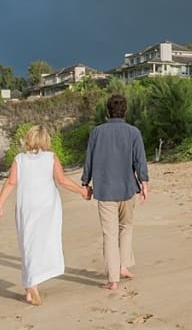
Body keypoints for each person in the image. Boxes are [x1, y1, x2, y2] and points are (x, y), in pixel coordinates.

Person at [0, 125, 90, 305]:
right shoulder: (51, 157)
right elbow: (62, 180)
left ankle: (31, 285)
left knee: (28, 243)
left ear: (29, 139)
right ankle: (32, 284)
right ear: (46, 140)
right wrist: (81, 191)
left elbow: (11, 183)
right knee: (45, 241)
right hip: (48, 206)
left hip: (27, 205)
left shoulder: (20, 159)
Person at [80, 94, 149, 290]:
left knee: (109, 234)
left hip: (104, 189)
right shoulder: (133, 132)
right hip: (127, 188)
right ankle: (123, 266)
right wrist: (144, 183)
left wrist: (85, 183)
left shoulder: (97, 132)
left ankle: (113, 279)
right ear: (125, 111)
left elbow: (89, 160)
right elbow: (139, 160)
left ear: (107, 111)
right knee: (126, 227)